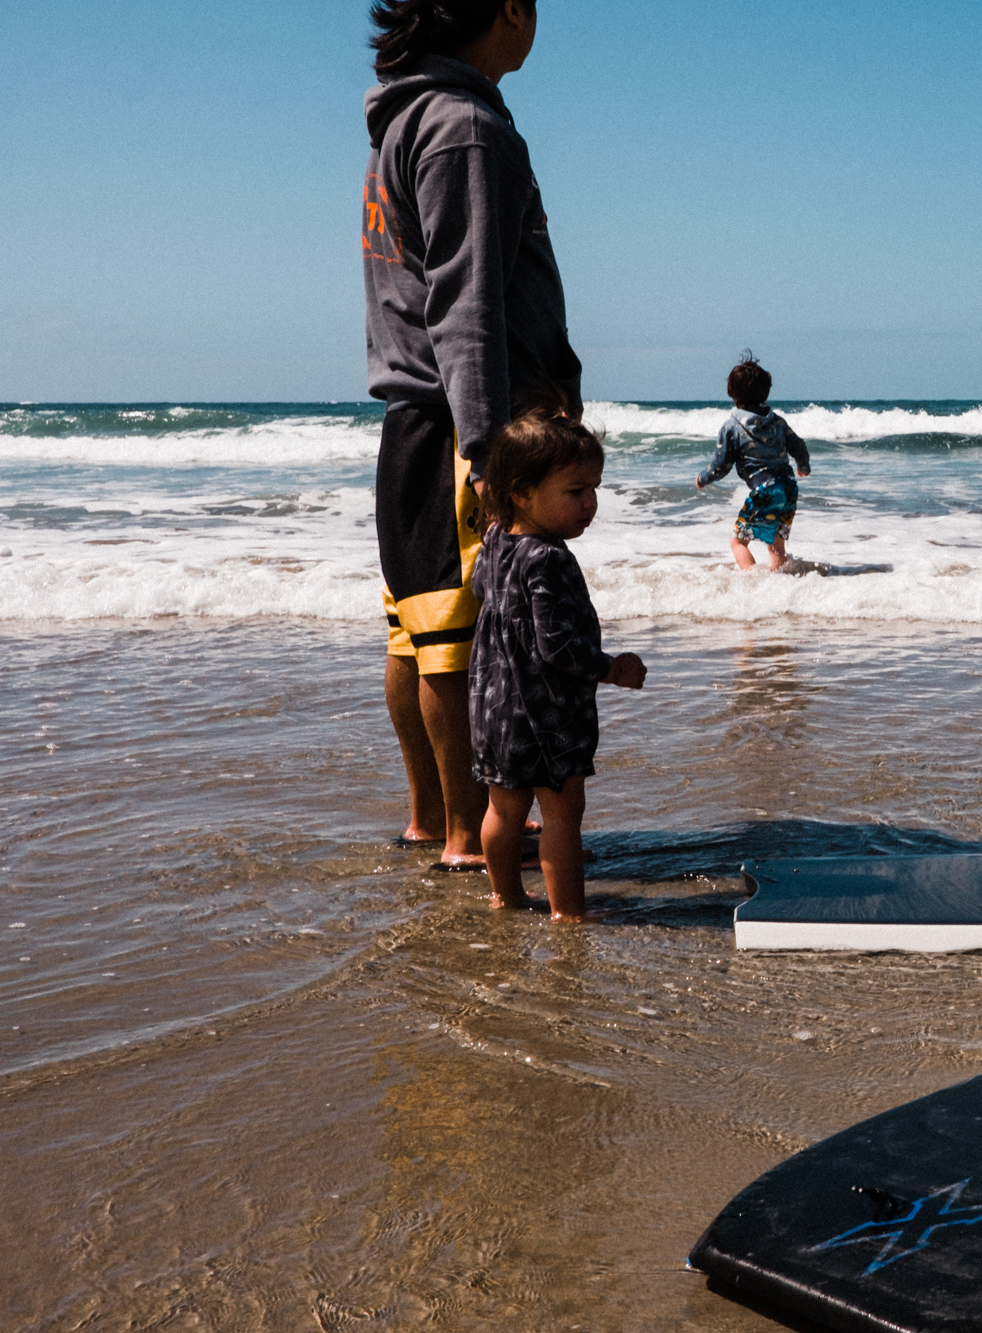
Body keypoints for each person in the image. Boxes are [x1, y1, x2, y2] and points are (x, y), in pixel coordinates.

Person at [362, 0, 582, 869]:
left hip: (416, 411)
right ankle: (464, 834)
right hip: (463, 416)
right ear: (507, 10)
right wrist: (489, 450)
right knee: (460, 639)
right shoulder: (465, 127)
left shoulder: (405, 119)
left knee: (417, 631)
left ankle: (431, 818)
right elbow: (467, 301)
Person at [468, 412, 645, 921]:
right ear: (522, 493)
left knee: (502, 810)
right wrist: (612, 668)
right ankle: (568, 912)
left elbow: (483, 590)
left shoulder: (497, 540)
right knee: (563, 815)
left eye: (594, 488)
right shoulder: (548, 557)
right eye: (575, 491)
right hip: (544, 715)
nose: (590, 503)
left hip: (493, 706)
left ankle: (506, 895)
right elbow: (557, 647)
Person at [695, 355, 812, 571]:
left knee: (738, 541)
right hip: (788, 488)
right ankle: (779, 583)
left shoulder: (732, 426)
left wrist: (703, 478)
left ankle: (753, 585)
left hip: (766, 490)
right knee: (776, 545)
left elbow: (721, 466)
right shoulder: (777, 421)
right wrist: (803, 466)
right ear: (766, 391)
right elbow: (798, 445)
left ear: (731, 392)